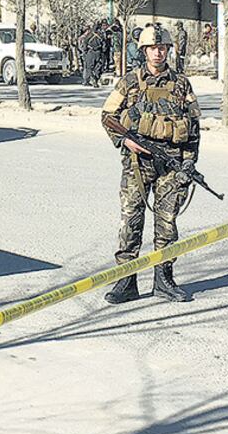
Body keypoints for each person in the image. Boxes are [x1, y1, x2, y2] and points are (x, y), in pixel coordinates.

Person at [100, 24, 201, 305]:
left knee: (167, 224)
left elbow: (193, 126)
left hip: (171, 162)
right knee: (131, 222)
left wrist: (189, 163)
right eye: (153, 48)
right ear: (144, 51)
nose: (158, 53)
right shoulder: (129, 82)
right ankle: (126, 280)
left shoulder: (181, 84)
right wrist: (124, 141)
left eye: (162, 48)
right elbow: (108, 115)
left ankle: (164, 280)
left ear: (168, 50)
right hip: (137, 163)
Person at [79, 22, 102, 86]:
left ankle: (93, 78)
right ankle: (95, 79)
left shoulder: (89, 35)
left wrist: (85, 51)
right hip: (98, 52)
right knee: (97, 67)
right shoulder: (100, 35)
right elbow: (104, 45)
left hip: (90, 53)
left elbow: (85, 44)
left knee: (89, 68)